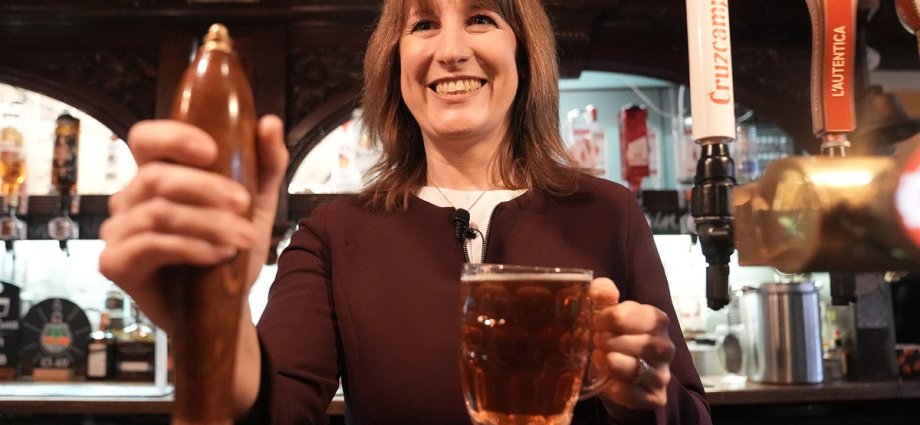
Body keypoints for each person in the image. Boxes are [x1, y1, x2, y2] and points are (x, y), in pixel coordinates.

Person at [99, 0, 713, 423]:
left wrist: (643, 396)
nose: (451, 51)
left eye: (480, 18)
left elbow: (690, 412)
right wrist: (210, 315)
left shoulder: (607, 212)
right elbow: (278, 407)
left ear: (524, 53)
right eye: (423, 24)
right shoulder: (335, 233)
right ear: (394, 62)